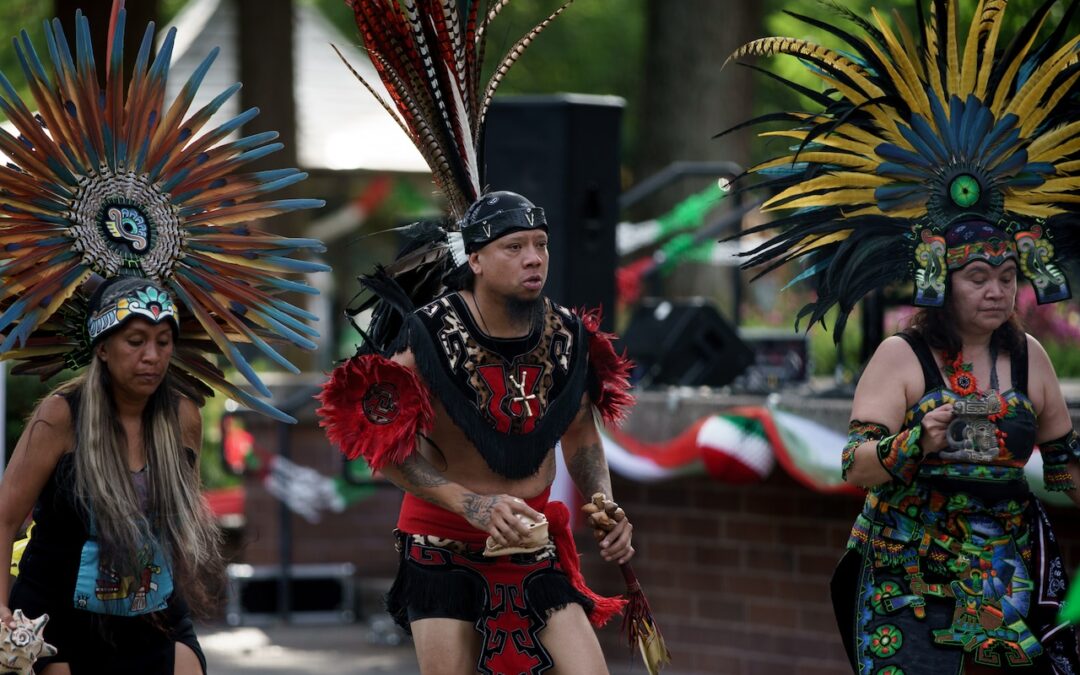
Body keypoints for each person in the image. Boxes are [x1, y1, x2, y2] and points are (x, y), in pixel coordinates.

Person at [722, 0, 1080, 671]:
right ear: (941, 281)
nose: (997, 290)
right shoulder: (903, 354)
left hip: (1007, 575)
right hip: (909, 577)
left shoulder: (1028, 356)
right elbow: (855, 464)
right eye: (978, 275)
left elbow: (1065, 464)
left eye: (1007, 275)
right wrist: (919, 438)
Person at [320, 191, 635, 674]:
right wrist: (472, 504)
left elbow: (581, 433)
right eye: (514, 247)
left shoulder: (569, 336)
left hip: (533, 545)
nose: (534, 258)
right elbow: (384, 449)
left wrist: (602, 502)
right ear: (476, 259)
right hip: (443, 547)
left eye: (541, 244)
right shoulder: (427, 336)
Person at [0, 277, 222, 675]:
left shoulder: (183, 416)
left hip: (154, 617)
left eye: (162, 341)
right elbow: (3, 518)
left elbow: (176, 525)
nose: (151, 356)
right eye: (135, 342)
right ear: (102, 347)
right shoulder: (61, 415)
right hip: (56, 623)